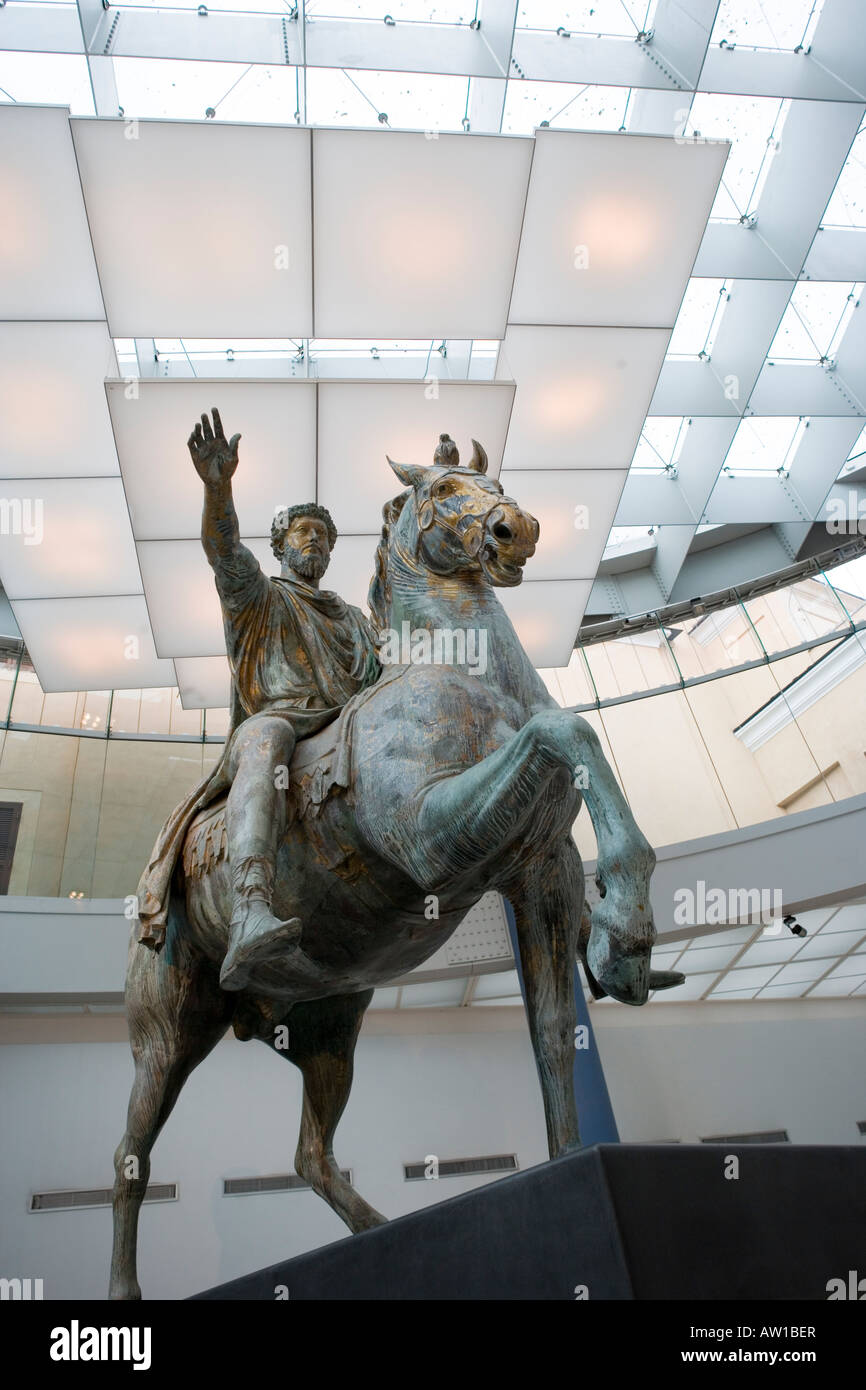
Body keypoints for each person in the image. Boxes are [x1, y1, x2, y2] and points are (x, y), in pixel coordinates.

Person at [136, 408, 380, 991]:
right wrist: (217, 488)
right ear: (280, 546)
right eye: (304, 533)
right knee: (265, 736)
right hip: (280, 721)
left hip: (346, 724)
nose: (316, 541)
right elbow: (222, 549)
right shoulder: (260, 596)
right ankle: (249, 903)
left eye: (324, 536)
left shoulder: (353, 619)